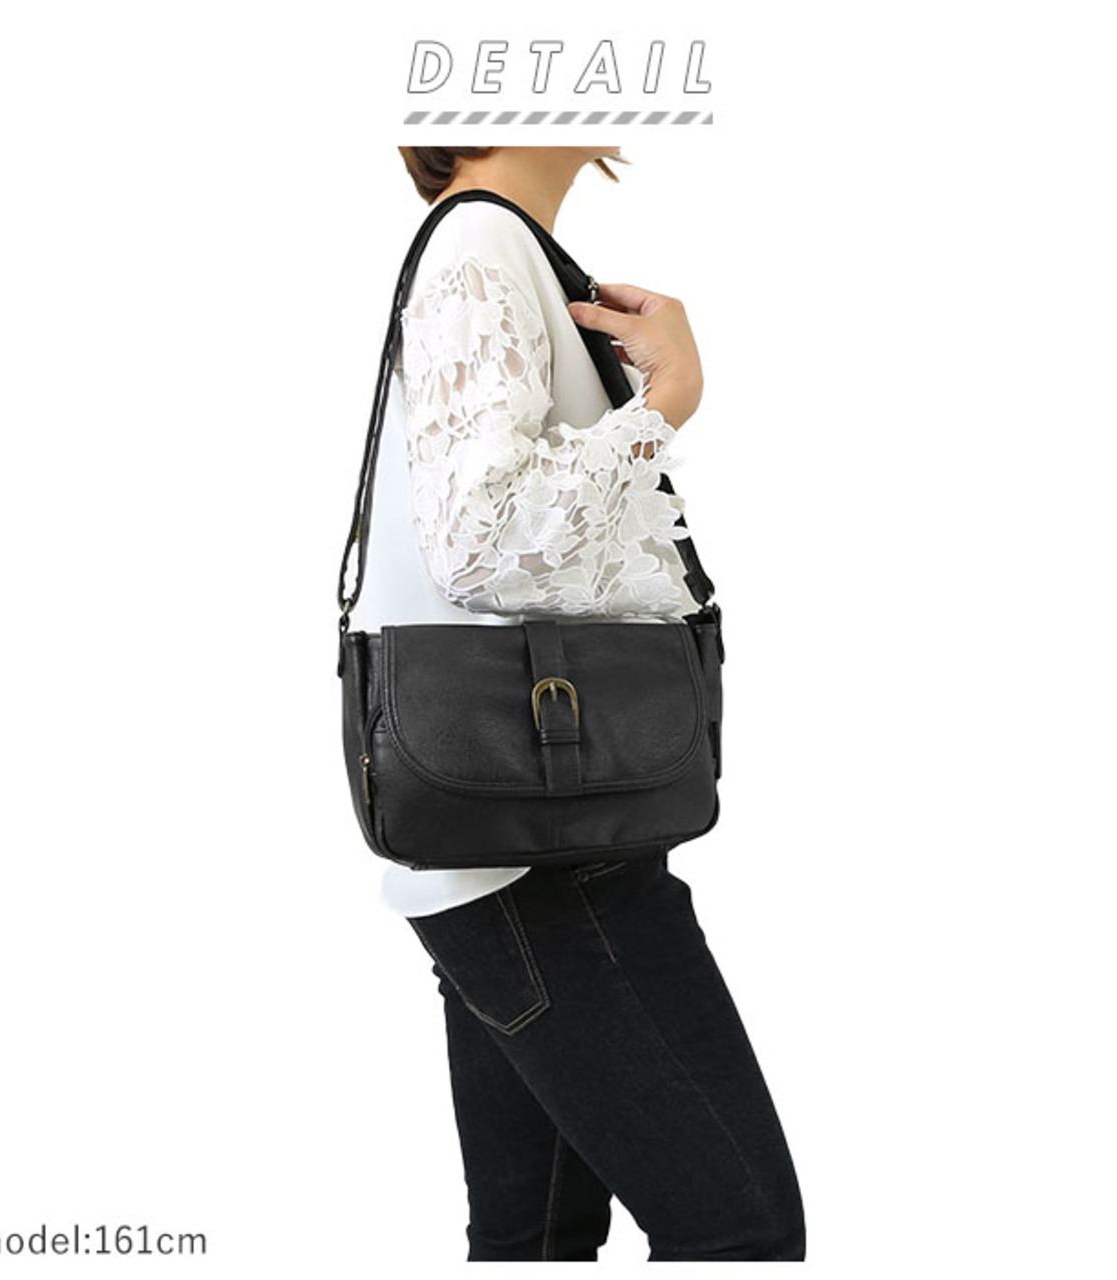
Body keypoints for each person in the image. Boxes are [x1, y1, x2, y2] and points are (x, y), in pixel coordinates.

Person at [350, 145, 806, 1261]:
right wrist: (666, 403)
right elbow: (482, 541)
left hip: (517, 844)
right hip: (547, 862)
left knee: (535, 1241)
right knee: (741, 1232)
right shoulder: (480, 245)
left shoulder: (504, 248)